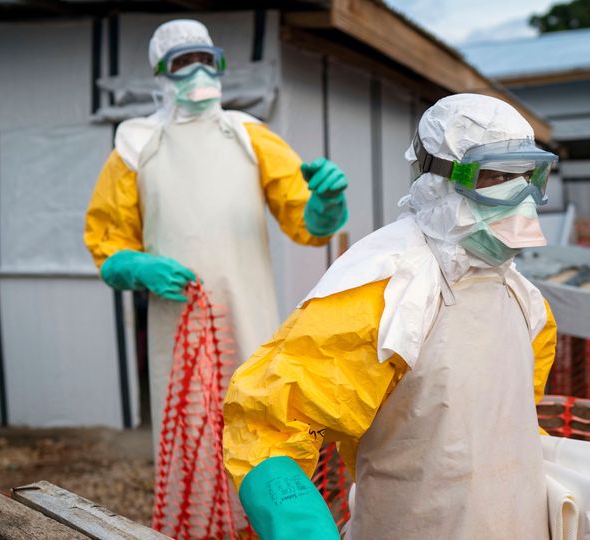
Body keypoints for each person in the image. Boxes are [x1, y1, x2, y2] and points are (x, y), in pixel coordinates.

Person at [223, 93, 559, 539]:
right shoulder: (387, 289)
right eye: (495, 177)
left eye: (528, 176)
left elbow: (506, 422)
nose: (519, 197)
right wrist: (297, 522)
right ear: (439, 179)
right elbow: (267, 424)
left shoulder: (524, 301)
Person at [83, 19, 349, 443]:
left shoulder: (250, 136)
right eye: (182, 62)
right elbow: (107, 239)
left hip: (249, 311)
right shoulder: (135, 146)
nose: (198, 73)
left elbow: (305, 223)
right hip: (179, 319)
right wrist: (135, 266)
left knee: (256, 419)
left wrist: (326, 203)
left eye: (206, 60)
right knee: (190, 431)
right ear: (161, 74)